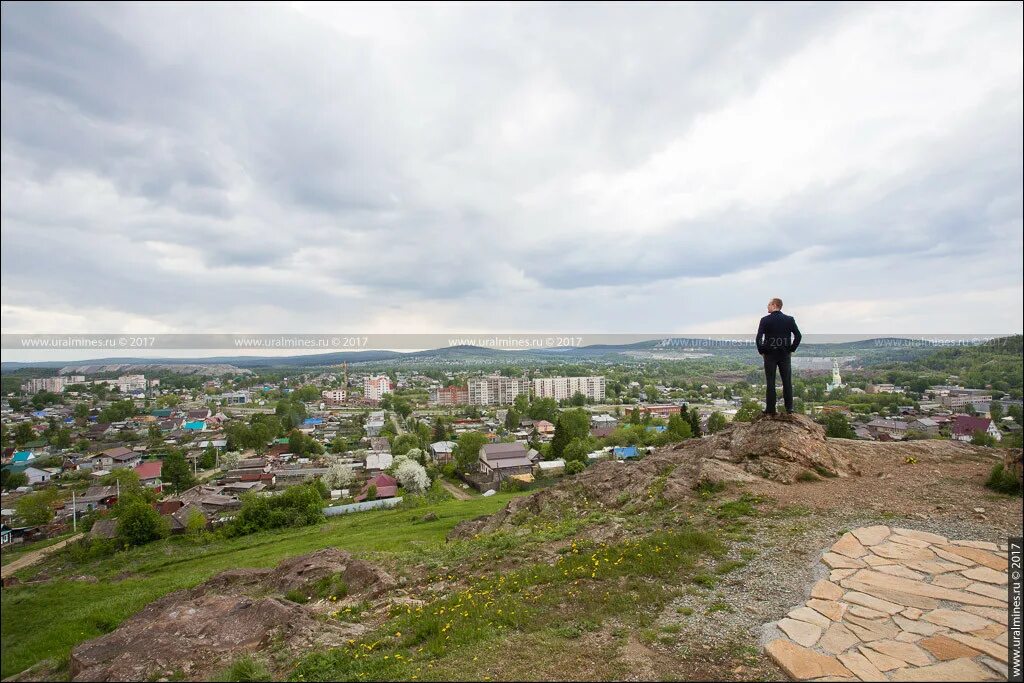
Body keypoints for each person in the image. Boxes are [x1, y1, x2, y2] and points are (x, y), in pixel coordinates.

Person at [755, 297, 801, 415]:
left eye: (769, 304)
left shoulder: (765, 320)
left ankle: (770, 409)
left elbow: (759, 338)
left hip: (770, 354)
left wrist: (762, 350)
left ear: (774, 305)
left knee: (770, 382)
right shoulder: (789, 319)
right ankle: (789, 408)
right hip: (784, 354)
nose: (767, 307)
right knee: (787, 381)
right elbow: (798, 336)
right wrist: (791, 349)